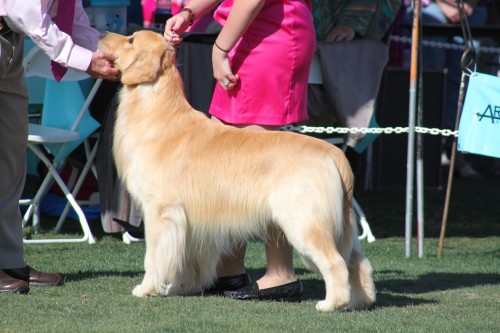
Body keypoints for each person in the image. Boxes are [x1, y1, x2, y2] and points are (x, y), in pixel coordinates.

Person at [164, 0, 315, 301]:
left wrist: (219, 50)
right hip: (245, 36)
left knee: (260, 168)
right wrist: (190, 13)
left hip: (271, 36)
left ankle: (281, 273)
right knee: (226, 163)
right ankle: (229, 269)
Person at [0, 0, 119, 294]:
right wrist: (86, 61)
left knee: (11, 159)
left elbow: (72, 16)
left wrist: (97, 54)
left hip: (9, 43)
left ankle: (10, 260)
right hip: (12, 30)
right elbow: (32, 19)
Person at [403, 0, 489, 178]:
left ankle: (455, 153)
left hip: (473, 9)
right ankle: (423, 154)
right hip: (430, 7)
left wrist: (469, 4)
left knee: (464, 82)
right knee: (429, 80)